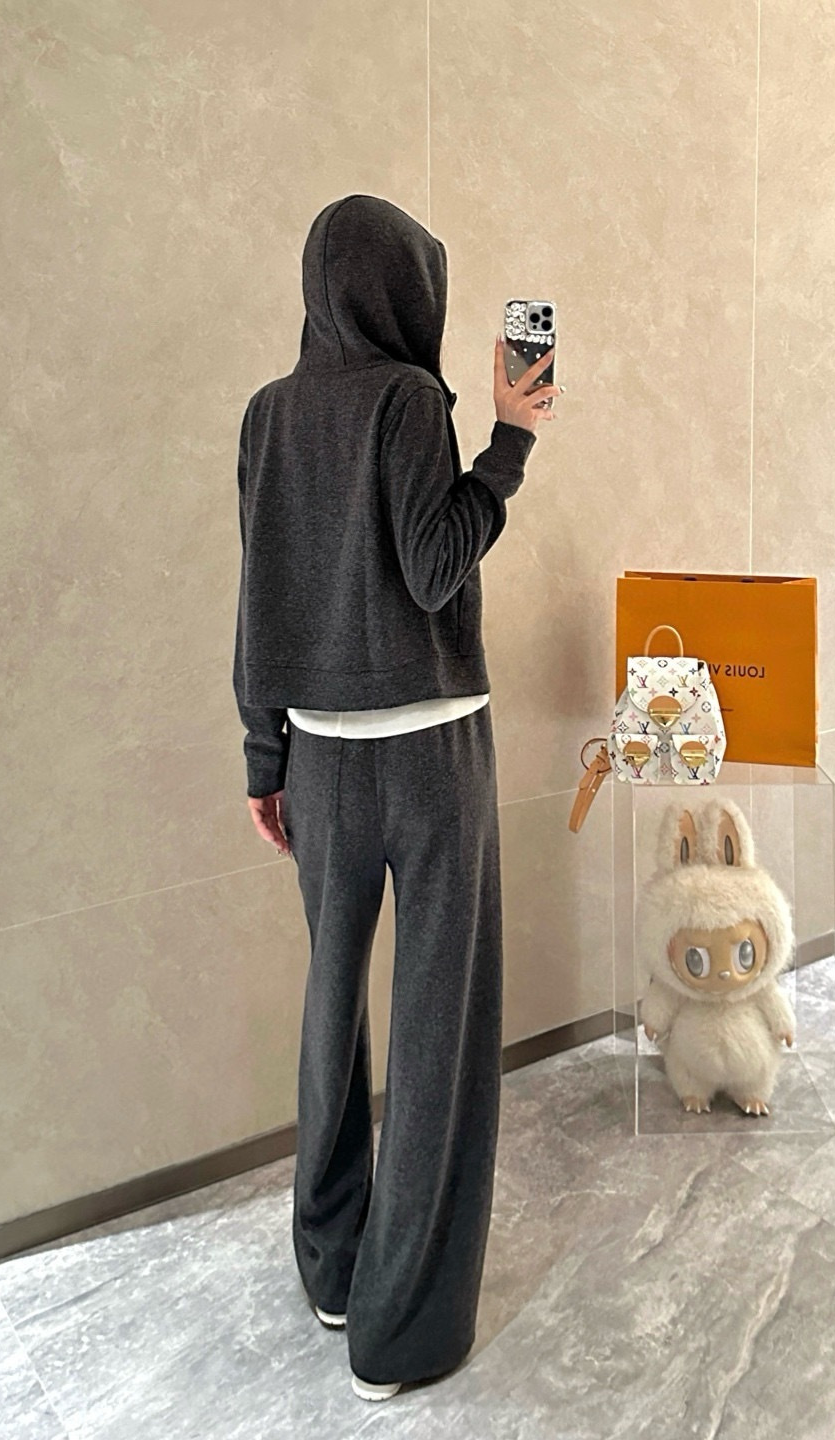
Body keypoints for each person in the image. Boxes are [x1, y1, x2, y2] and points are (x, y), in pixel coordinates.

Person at [232, 194, 560, 1402]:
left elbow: (257, 597)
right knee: (438, 1029)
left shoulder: (268, 414)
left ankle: (331, 1268)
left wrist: (263, 756)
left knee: (332, 1009)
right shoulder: (412, 401)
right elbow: (433, 567)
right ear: (404, 290)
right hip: (429, 757)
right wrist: (510, 442)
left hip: (318, 757)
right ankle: (400, 1332)